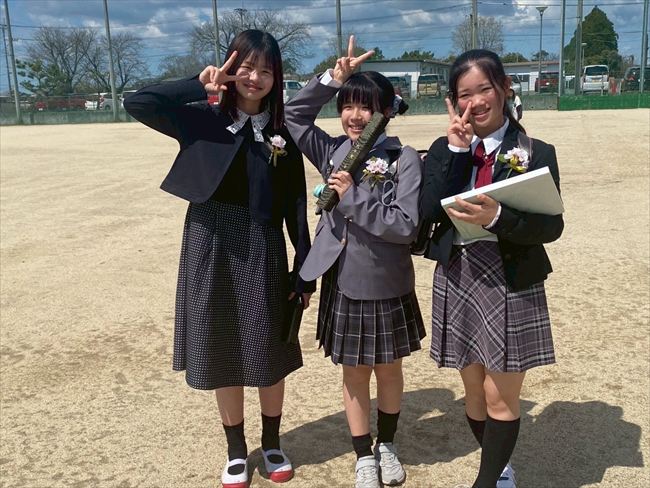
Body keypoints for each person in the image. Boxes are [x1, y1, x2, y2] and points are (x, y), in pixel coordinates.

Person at [123, 30, 315, 487]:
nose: (255, 77)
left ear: (277, 78)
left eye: (265, 70)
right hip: (209, 241)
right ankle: (235, 450)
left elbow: (296, 205)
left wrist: (304, 269)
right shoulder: (202, 118)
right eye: (246, 67)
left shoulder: (282, 134)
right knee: (222, 347)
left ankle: (272, 442)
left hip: (263, 244)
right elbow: (139, 102)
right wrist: (199, 82)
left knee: (269, 348)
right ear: (231, 67)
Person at [285, 36, 426, 488]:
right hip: (341, 278)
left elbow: (405, 225)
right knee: (353, 372)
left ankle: (387, 444)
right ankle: (363, 453)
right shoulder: (331, 151)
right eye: (347, 105)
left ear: (385, 111)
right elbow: (293, 116)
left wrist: (352, 198)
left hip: (385, 279)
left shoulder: (404, 159)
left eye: (365, 107)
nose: (354, 115)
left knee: (389, 369)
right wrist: (333, 78)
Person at [419, 49, 563, 488]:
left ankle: (487, 480)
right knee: (474, 394)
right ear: (453, 101)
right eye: (465, 94)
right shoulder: (444, 149)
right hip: (459, 274)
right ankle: (499, 467)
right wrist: (456, 151)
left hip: (510, 277)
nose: (476, 102)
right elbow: (427, 211)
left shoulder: (536, 152)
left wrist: (497, 217)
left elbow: (551, 226)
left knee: (500, 397)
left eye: (485, 89)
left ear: (504, 89)